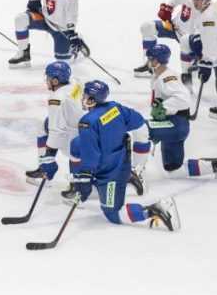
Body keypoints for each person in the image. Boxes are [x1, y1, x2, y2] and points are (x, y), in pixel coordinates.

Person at [62, 80, 181, 231]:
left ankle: (156, 209)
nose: (82, 98)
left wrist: (83, 184)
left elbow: (90, 156)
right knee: (76, 144)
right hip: (121, 162)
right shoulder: (115, 108)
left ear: (92, 99)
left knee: (112, 213)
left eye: (85, 95)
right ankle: (125, 178)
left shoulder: (87, 122)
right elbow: (138, 121)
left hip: (110, 174)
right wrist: (139, 162)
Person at [139, 45, 217, 187]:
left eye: (150, 59)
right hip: (173, 124)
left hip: (175, 125)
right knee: (173, 170)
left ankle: (135, 172)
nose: (148, 62)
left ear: (157, 61)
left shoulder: (167, 77)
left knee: (141, 129)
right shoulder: (160, 75)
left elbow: (183, 98)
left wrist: (164, 108)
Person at [133, 0, 205, 83]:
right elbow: (171, 4)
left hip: (188, 39)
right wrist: (166, 12)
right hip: (174, 28)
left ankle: (188, 83)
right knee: (147, 27)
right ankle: (149, 66)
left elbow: (204, 26)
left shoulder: (202, 0)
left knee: (190, 72)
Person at [9, 0, 81, 67]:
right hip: (45, 19)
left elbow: (72, 13)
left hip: (61, 28)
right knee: (21, 19)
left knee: (62, 62)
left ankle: (74, 49)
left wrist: (71, 32)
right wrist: (35, 0)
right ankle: (23, 53)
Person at [24, 61, 83, 186]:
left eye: (49, 78)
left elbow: (56, 131)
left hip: (75, 135)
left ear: (56, 81)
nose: (47, 80)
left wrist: (49, 159)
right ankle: (42, 166)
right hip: (82, 125)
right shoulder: (75, 84)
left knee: (71, 150)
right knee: (42, 125)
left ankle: (77, 184)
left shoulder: (56, 99)